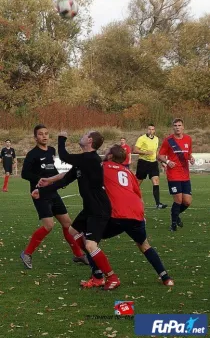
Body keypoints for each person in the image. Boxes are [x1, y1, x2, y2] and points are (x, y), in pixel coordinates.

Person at [34, 145, 174, 289]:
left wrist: (50, 180)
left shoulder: (102, 166)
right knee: (144, 245)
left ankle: (100, 275)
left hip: (114, 213)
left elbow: (76, 171)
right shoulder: (128, 172)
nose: (104, 153)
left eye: (106, 151)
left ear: (110, 156)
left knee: (89, 241)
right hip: (136, 213)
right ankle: (166, 278)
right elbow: (138, 195)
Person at [33, 130, 120, 291]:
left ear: (89, 141)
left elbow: (65, 156)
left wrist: (61, 138)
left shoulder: (90, 158)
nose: (81, 135)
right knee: (73, 231)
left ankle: (111, 277)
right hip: (90, 208)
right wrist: (43, 190)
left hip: (99, 209)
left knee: (91, 245)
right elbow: (66, 180)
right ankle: (97, 273)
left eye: (85, 134)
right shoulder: (83, 161)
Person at [20, 124, 87, 269]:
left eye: (46, 133)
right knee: (48, 225)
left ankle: (78, 254)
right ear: (35, 137)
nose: (44, 136)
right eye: (40, 134)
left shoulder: (51, 150)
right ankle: (27, 253)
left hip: (53, 192)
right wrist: (38, 179)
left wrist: (59, 179)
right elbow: (24, 173)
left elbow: (52, 168)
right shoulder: (32, 154)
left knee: (67, 224)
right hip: (40, 193)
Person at [158, 118, 195, 231]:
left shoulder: (188, 139)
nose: (177, 127)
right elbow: (160, 156)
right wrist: (168, 162)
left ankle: (175, 214)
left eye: (179, 125)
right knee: (178, 200)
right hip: (173, 175)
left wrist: (191, 158)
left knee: (187, 202)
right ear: (173, 127)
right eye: (175, 125)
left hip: (185, 174)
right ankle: (173, 224)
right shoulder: (168, 140)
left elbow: (188, 154)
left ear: (183, 127)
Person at [133, 124, 167, 209]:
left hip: (153, 163)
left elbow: (156, 152)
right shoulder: (141, 138)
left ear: (154, 130)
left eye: (152, 129)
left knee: (156, 181)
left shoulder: (156, 139)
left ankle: (158, 203)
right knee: (137, 183)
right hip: (143, 162)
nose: (151, 131)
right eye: (149, 129)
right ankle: (129, 199)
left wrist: (161, 161)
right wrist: (145, 152)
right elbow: (135, 150)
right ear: (147, 130)